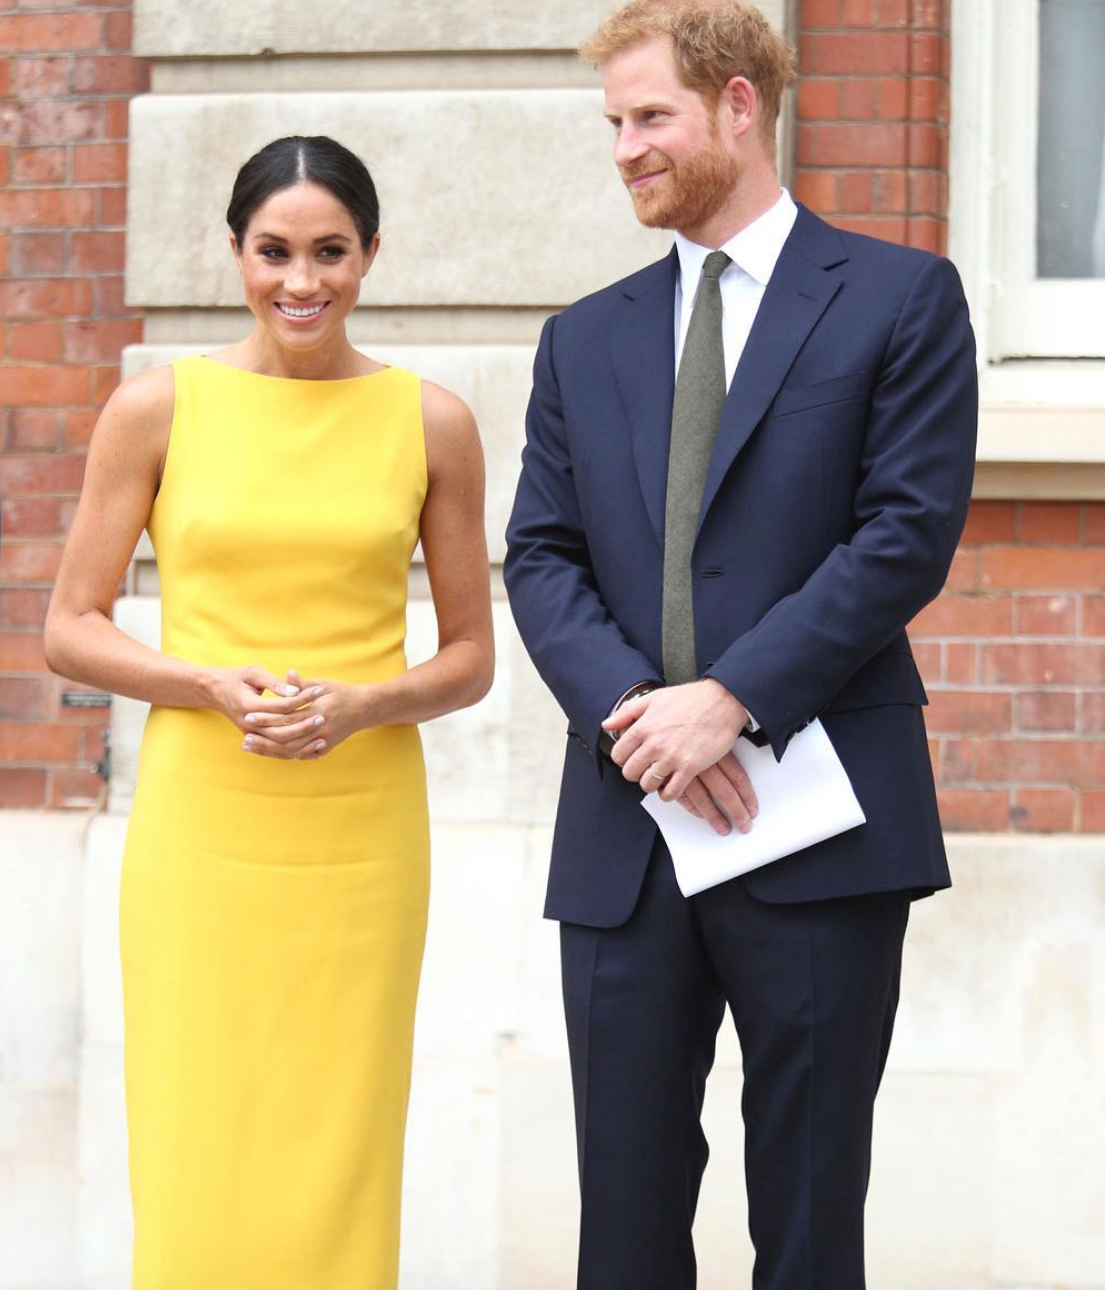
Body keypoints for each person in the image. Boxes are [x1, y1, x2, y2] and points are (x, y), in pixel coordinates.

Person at [504, 3, 977, 1287]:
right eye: (612, 123)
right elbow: (539, 557)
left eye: (648, 116)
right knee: (625, 1226)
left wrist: (732, 700)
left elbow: (903, 537)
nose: (624, 150)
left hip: (820, 825)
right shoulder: (581, 337)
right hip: (626, 831)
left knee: (812, 1222)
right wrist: (643, 719)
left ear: (735, 107)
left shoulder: (900, 298)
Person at [45, 135, 493, 1288]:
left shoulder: (431, 421)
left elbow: (469, 658)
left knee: (339, 1130)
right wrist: (203, 680)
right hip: (206, 824)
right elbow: (71, 626)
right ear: (235, 254)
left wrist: (366, 703)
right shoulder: (157, 408)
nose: (304, 282)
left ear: (371, 255)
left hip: (359, 833)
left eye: (331, 252)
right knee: (202, 1124)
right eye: (276, 252)